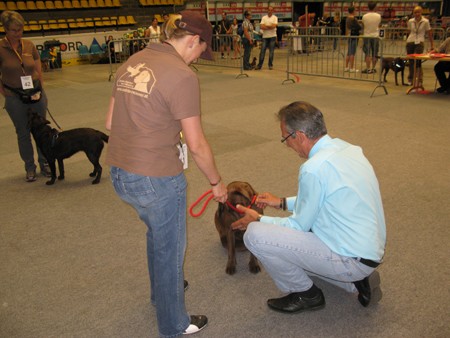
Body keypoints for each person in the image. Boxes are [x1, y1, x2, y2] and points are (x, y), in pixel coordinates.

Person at [105, 11, 228, 337]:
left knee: (158, 237)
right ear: (192, 40)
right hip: (155, 177)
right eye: (203, 49)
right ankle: (174, 324)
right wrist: (216, 183)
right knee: (170, 247)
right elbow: (197, 144)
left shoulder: (133, 60)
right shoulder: (182, 75)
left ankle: (160, 295)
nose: (201, 55)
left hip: (119, 172)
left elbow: (109, 122)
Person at [231, 101, 386, 314]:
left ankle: (306, 293)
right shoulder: (348, 149)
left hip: (351, 258)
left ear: (300, 136)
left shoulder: (313, 169)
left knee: (256, 236)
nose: (286, 144)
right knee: (293, 250)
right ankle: (356, 282)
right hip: (367, 249)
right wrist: (281, 202)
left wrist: (257, 219)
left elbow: (298, 226)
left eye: (286, 138)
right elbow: (322, 198)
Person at [0, 10, 50, 182]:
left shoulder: (29, 45)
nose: (18, 33)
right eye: (14, 30)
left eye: (20, 29)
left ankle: (45, 163)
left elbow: (37, 68)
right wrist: (4, 92)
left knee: (42, 130)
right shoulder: (1, 47)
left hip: (35, 94)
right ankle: (30, 167)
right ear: (5, 29)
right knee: (23, 132)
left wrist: (41, 88)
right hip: (14, 97)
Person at [405, 6, 434, 86]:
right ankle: (410, 79)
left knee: (418, 61)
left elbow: (429, 33)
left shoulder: (425, 21)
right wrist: (406, 42)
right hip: (410, 41)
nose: (417, 14)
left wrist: (432, 44)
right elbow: (409, 31)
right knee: (410, 61)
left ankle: (420, 79)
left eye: (418, 12)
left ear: (421, 12)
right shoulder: (410, 21)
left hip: (420, 42)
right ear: (413, 13)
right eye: (415, 12)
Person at [361, 2, 381, 74]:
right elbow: (379, 25)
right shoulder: (378, 16)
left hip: (367, 36)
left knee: (367, 53)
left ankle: (368, 68)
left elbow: (363, 26)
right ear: (375, 7)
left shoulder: (364, 16)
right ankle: (373, 68)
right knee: (375, 53)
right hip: (375, 36)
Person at [255, 6, 278, 70]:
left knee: (271, 52)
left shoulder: (275, 18)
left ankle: (270, 65)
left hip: (272, 36)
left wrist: (266, 26)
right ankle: (259, 65)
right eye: (269, 10)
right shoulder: (263, 18)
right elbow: (261, 26)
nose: (270, 11)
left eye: (271, 10)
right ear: (267, 10)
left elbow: (274, 26)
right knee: (262, 51)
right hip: (265, 37)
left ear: (273, 11)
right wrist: (270, 26)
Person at [345, 6, 361, 73]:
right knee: (352, 52)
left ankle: (346, 67)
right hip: (354, 36)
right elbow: (359, 27)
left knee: (349, 52)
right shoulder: (354, 19)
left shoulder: (347, 18)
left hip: (349, 35)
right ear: (353, 11)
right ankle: (351, 67)